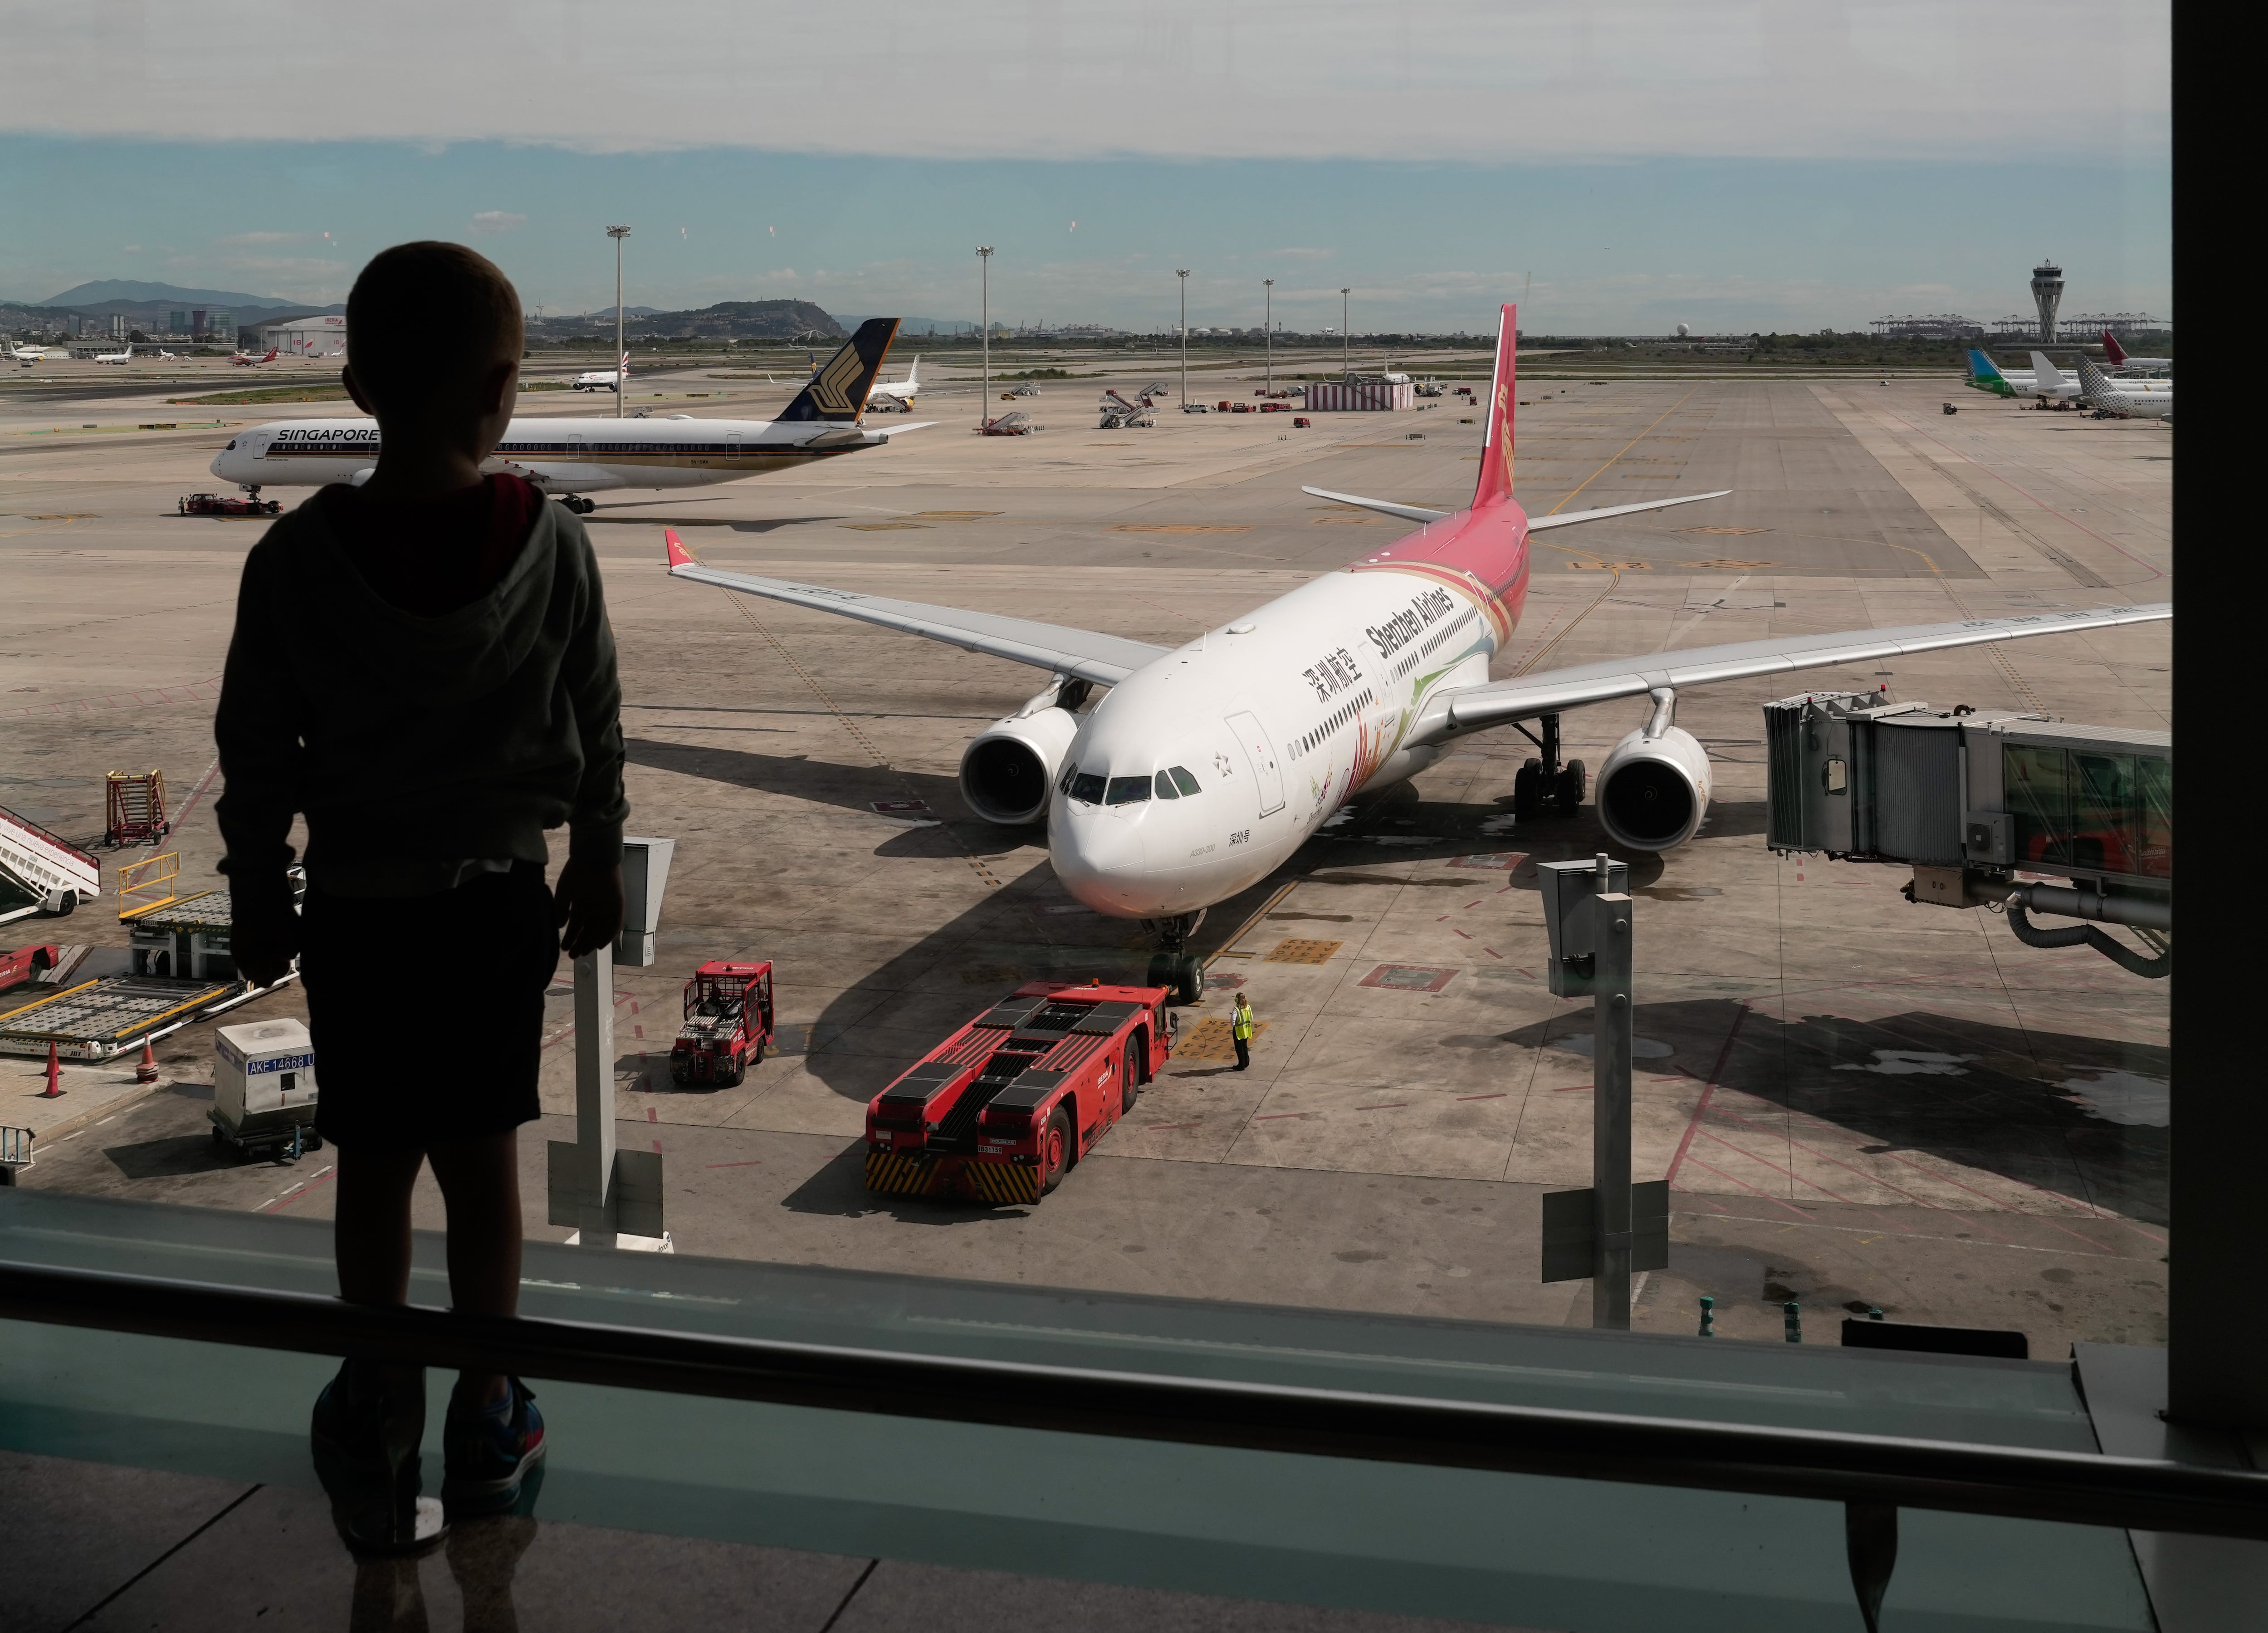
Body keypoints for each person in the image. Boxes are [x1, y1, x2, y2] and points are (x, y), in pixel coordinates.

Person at [215, 240, 627, 1549]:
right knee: (484, 1163)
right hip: (497, 906)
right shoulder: (553, 543)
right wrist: (599, 853)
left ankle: (378, 1393)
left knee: (373, 1161)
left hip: (355, 907)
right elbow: (599, 720)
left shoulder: (293, 559)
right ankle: (489, 1407)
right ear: (503, 390)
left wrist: (257, 889)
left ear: (356, 388)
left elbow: (252, 748)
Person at [1231, 991, 1256, 1070]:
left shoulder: (1236, 1009)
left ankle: (1241, 1065)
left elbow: (1233, 1021)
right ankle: (1246, 1062)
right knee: (1245, 1046)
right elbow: (1251, 1018)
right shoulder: (1248, 1007)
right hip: (1247, 1030)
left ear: (1237, 1000)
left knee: (1239, 1048)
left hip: (1239, 1032)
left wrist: (1234, 1025)